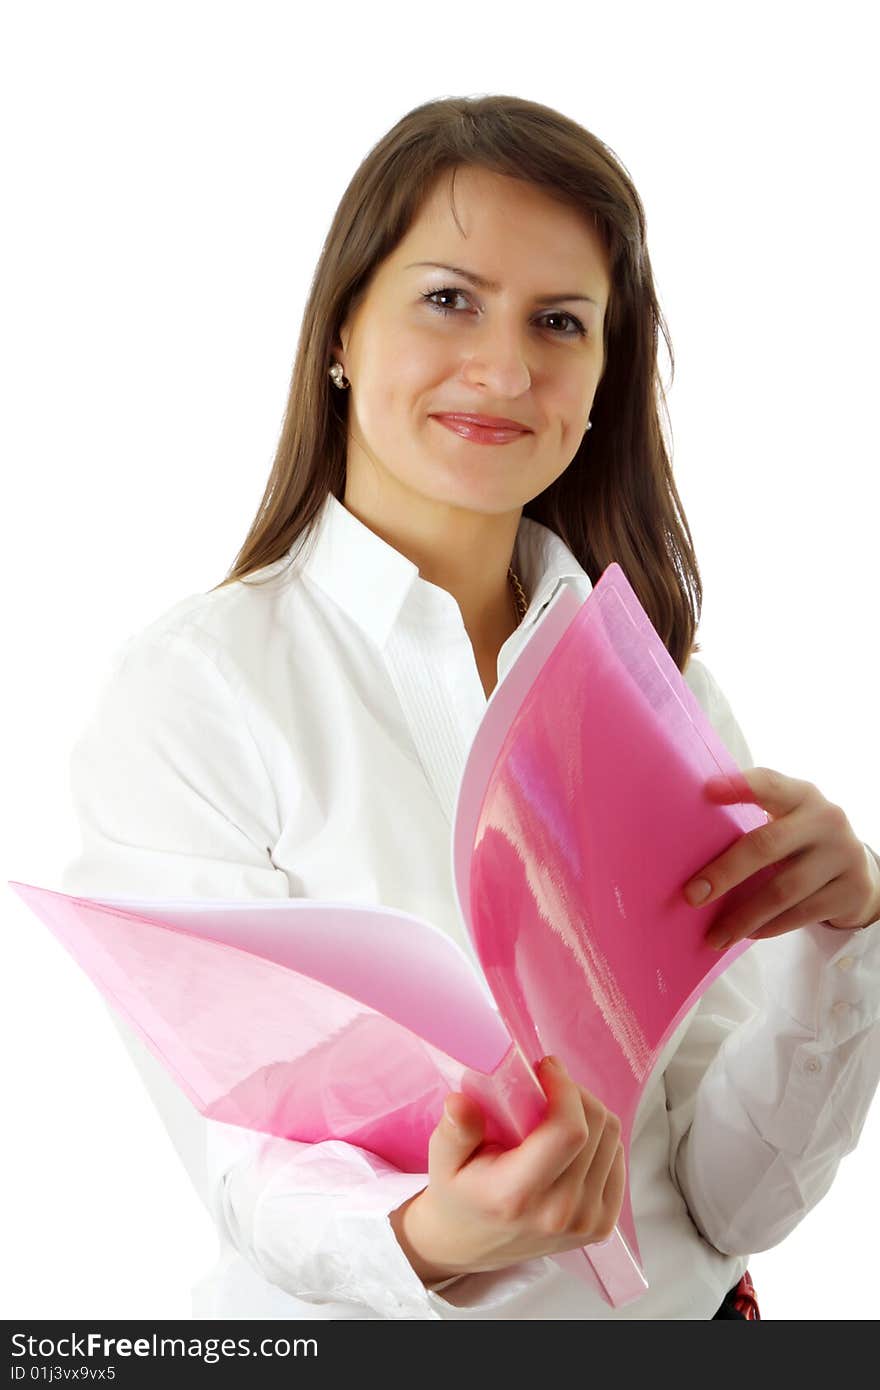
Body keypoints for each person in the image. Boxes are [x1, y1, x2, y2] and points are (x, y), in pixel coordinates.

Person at [58, 94, 880, 1321]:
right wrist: (440, 1233)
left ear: (606, 372)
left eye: (560, 322)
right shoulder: (197, 691)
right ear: (342, 328)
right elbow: (250, 1174)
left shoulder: (665, 694)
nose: (504, 370)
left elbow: (727, 1204)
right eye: (449, 299)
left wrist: (839, 945)